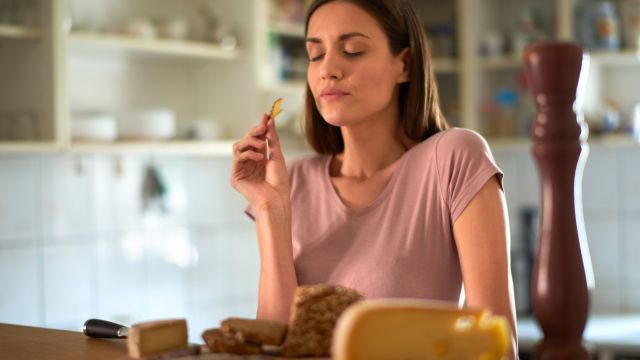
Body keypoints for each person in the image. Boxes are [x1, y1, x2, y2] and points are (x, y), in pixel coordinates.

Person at [231, 0, 517, 357]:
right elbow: (275, 347)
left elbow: (498, 347)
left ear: (405, 65)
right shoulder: (294, 182)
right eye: (315, 54)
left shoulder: (454, 158)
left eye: (352, 50)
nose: (328, 70)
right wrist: (270, 210)